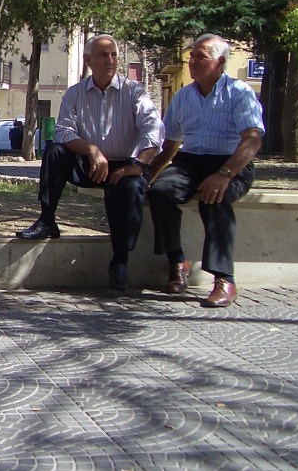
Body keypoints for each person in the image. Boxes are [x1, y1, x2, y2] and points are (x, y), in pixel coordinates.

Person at [16, 35, 165, 294]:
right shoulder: (75, 93)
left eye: (114, 55)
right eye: (103, 55)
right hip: (90, 163)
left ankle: (120, 261)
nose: (110, 60)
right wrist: (92, 150)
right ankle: (47, 220)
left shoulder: (134, 92)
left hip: (125, 165)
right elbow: (63, 131)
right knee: (54, 151)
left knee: (129, 192)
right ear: (88, 60)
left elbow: (153, 130)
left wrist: (140, 165)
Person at [148, 34, 264, 308]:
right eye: (192, 56)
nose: (192, 61)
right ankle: (177, 260)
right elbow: (169, 147)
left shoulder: (239, 92)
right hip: (190, 162)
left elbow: (252, 140)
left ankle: (224, 279)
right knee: (161, 192)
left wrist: (224, 174)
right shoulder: (183, 96)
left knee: (215, 199)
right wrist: (147, 176)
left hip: (231, 162)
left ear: (220, 62)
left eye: (201, 56)